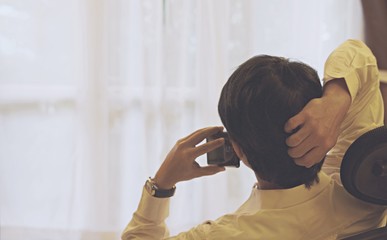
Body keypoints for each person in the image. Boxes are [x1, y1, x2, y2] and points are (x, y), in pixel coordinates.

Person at [122, 40, 386, 239]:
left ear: (240, 151)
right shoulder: (365, 193)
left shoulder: (225, 234)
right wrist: (334, 101)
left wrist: (161, 184)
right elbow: (358, 55)